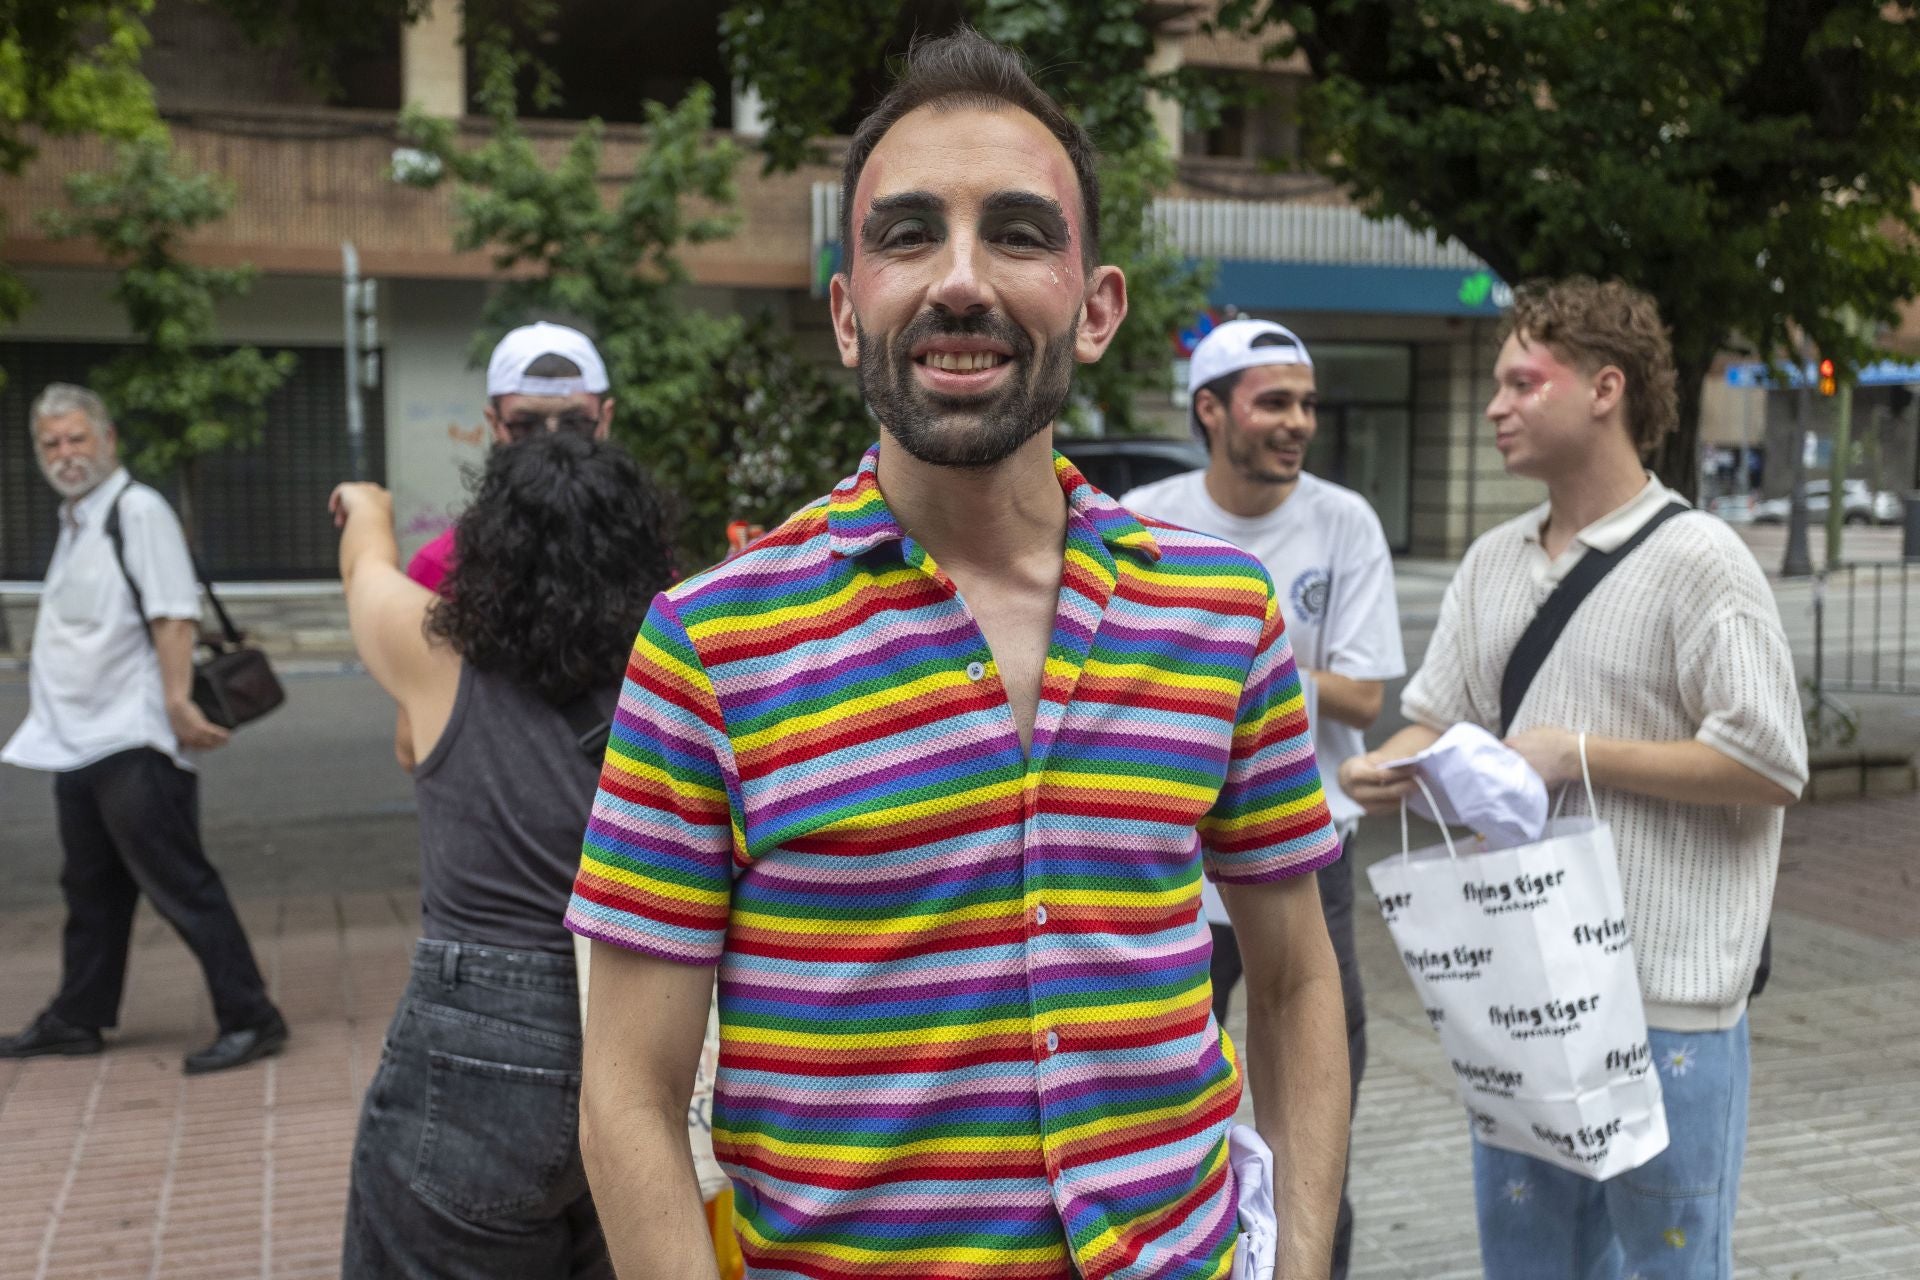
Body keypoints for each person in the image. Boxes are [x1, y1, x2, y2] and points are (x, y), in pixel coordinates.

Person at [568, 31, 1351, 1280]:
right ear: (847, 311)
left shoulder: (1220, 614)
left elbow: (1301, 982)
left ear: (1098, 309)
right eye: (909, 234)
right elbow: (627, 1090)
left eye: (1022, 234)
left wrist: (1300, 1260)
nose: (962, 280)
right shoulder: (709, 646)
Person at [1340, 278, 1807, 1280]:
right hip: (1521, 990)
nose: (1495, 407)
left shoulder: (1701, 559)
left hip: (1667, 1001)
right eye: (1497, 385)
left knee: (1673, 1265)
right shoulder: (1492, 561)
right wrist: (1383, 766)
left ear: (1605, 389)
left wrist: (1578, 754)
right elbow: (1444, 714)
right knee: (1529, 1262)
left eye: (1522, 382)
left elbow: (1770, 761)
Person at [331, 433, 673, 1277]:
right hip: (640, 1031)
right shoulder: (681, 678)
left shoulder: (436, 658)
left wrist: (367, 506)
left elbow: (365, 572)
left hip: (473, 1036)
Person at [1124, 318, 1403, 1280]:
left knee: (1318, 1117)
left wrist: (1220, 655)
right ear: (1210, 410)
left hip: (1307, 854)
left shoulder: (1344, 521)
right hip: (1170, 860)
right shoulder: (1144, 518)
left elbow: (1364, 696)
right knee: (1157, 1109)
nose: (1299, 423)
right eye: (1275, 401)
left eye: (1308, 404)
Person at [1, 383, 286, 1074]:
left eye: (77, 438)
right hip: (75, 738)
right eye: (51, 444)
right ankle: (78, 1016)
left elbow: (173, 614)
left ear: (108, 440)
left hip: (131, 736)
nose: (65, 454)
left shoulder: (137, 511)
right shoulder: (79, 519)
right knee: (90, 889)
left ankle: (252, 1016)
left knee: (180, 882)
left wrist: (178, 703)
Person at [392, 320, 617, 771]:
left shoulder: (652, 560)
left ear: (604, 420)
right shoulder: (438, 565)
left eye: (573, 423)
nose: (551, 442)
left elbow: (412, 748)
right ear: (494, 424)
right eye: (527, 425)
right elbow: (411, 740)